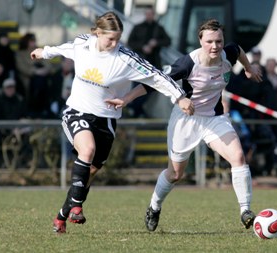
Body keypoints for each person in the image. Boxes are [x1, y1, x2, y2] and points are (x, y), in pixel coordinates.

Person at [29, 11, 194, 234]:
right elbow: (63, 48)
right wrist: (44, 52)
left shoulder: (125, 58)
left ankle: (61, 216)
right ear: (97, 33)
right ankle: (77, 208)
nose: (115, 43)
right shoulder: (83, 45)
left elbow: (157, 76)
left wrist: (179, 96)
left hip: (106, 121)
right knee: (86, 150)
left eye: (118, 39)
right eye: (110, 39)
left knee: (90, 172)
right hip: (77, 111)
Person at [140, 19, 262, 232]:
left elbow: (239, 50)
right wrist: (128, 98)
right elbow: (158, 81)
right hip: (186, 120)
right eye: (209, 42)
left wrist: (249, 68)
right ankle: (154, 206)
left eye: (219, 41)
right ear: (200, 41)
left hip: (214, 119)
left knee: (238, 157)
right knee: (175, 174)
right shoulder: (187, 63)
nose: (215, 46)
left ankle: (245, 210)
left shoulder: (228, 53)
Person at [127, 7, 172, 118]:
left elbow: (168, 41)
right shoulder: (137, 27)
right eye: (147, 14)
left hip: (154, 64)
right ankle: (136, 110)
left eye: (151, 14)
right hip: (139, 64)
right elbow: (130, 42)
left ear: (153, 15)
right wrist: (143, 47)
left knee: (151, 88)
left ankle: (134, 108)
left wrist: (156, 43)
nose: (149, 16)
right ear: (145, 14)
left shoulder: (159, 28)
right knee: (137, 88)